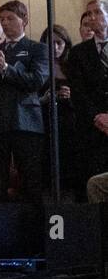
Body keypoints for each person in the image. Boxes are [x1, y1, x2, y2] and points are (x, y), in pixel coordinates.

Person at [0, 2, 48, 204]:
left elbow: (36, 81)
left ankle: (34, 231)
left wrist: (5, 67)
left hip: (26, 123)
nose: (5, 23)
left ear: (24, 21)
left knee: (31, 180)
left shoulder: (37, 49)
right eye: (2, 18)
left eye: (10, 18)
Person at [66, 0, 108, 201]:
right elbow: (79, 92)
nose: (92, 17)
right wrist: (98, 117)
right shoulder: (78, 53)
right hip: (92, 130)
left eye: (97, 12)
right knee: (92, 184)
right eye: (88, 13)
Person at [39, 24, 80, 199]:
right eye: (50, 43)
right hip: (45, 123)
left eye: (59, 43)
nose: (55, 48)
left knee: (69, 167)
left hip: (69, 124)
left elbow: (84, 97)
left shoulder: (72, 67)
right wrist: (45, 99)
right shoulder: (39, 65)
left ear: (66, 45)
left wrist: (72, 95)